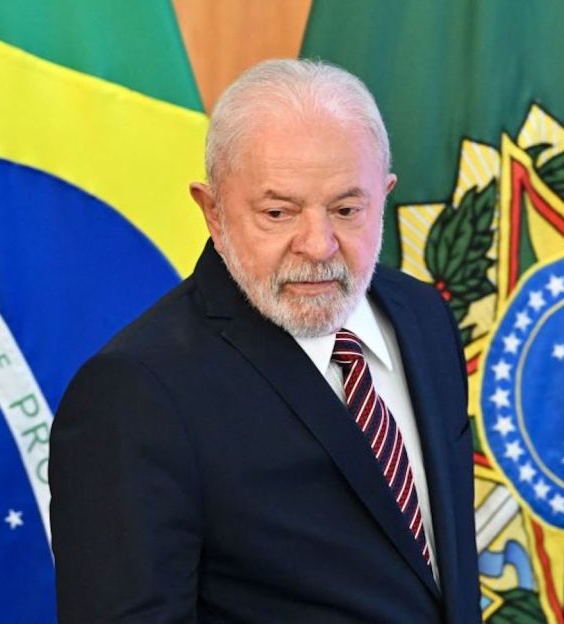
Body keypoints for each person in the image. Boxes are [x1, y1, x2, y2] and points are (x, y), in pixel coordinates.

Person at [49, 58, 479, 623]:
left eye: (347, 209)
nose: (319, 245)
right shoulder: (135, 392)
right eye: (279, 212)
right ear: (212, 210)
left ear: (385, 194)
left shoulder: (424, 318)